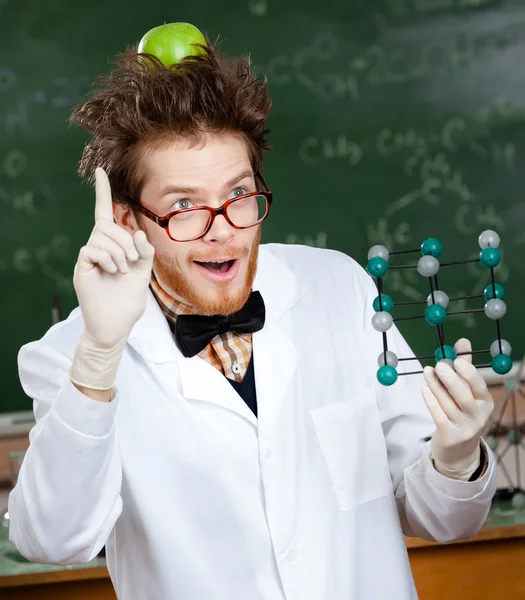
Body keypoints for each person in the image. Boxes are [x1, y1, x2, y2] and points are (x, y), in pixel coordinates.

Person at [9, 38, 497, 600]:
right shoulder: (71, 353)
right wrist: (98, 355)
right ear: (127, 220)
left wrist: (457, 455)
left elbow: (443, 519)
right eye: (184, 206)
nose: (222, 228)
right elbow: (52, 540)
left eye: (238, 194)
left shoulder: (338, 287)